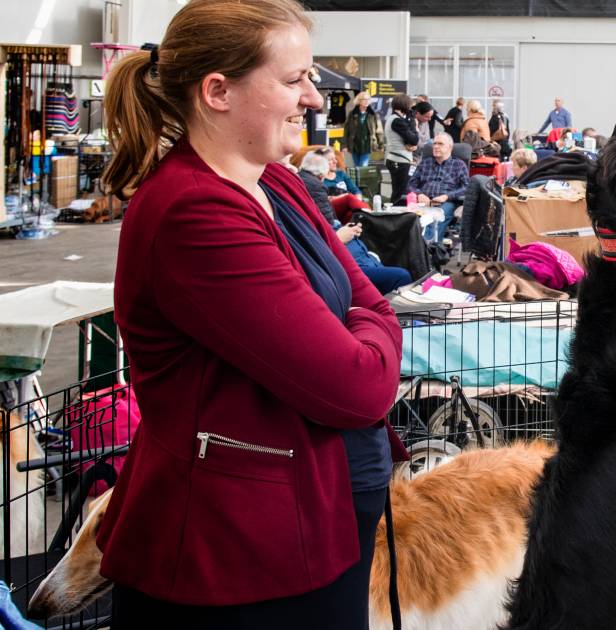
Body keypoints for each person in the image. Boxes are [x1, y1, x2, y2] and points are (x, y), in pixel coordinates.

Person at [97, 0, 405, 628]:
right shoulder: (193, 214)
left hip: (316, 524)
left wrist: (366, 327)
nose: (313, 99)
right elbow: (356, 386)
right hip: (238, 559)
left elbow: (371, 297)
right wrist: (368, 333)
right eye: (294, 80)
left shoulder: (277, 182)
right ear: (218, 92)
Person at [300, 152, 413, 294]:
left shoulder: (336, 176)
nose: (334, 162)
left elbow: (354, 191)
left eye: (335, 159)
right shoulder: (315, 187)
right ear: (322, 173)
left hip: (346, 242)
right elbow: (327, 227)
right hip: (346, 257)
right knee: (399, 273)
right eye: (330, 160)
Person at [408, 132, 469, 243]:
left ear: (449, 147)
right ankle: (415, 249)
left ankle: (428, 250)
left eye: (440, 144)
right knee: (408, 219)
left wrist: (447, 196)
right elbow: (411, 184)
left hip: (445, 203)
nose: (435, 146)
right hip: (424, 201)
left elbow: (466, 187)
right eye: (435, 143)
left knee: (435, 218)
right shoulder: (425, 163)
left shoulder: (459, 165)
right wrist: (419, 194)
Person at [384, 94, 420, 205]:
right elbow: (414, 139)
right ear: (404, 105)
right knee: (400, 193)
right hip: (399, 160)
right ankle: (396, 217)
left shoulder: (394, 119)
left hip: (397, 159)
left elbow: (409, 140)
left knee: (399, 191)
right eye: (409, 106)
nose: (410, 109)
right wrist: (413, 122)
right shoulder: (397, 121)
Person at [343, 90, 383, 167]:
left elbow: (379, 130)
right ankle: (358, 179)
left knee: (363, 165)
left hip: (367, 144)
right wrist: (344, 145)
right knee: (357, 166)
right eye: (364, 99)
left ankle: (361, 178)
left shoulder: (373, 114)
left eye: (368, 99)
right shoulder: (352, 113)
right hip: (354, 144)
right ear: (359, 101)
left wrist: (381, 145)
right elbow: (346, 130)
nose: (367, 101)